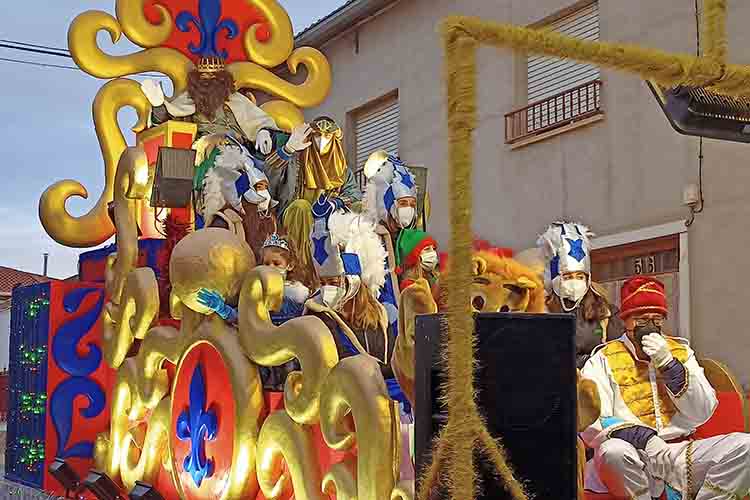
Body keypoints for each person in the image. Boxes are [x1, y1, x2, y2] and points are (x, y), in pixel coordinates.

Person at [581, 276, 750, 500]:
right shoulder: (602, 358)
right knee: (612, 452)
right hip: (633, 453)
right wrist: (645, 439)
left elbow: (703, 410)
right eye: (641, 319)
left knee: (746, 447)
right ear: (626, 321)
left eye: (656, 319)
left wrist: (669, 365)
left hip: (680, 453)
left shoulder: (680, 351)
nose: (649, 325)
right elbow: (591, 421)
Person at [538, 221, 623, 368]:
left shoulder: (606, 312)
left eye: (580, 276)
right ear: (554, 279)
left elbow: (618, 355)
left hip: (597, 383)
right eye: (568, 277)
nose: (575, 282)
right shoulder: (541, 311)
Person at [264, 116, 362, 218]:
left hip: (328, 221)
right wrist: (288, 149)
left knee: (360, 207)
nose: (322, 141)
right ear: (311, 136)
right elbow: (268, 174)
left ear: (334, 140)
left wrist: (335, 203)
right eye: (318, 135)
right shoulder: (294, 162)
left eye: (327, 136)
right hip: (295, 217)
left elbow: (355, 195)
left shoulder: (342, 170)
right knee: (301, 206)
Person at [260, 232, 310, 321]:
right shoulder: (259, 289)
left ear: (290, 265)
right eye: (266, 264)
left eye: (276, 263)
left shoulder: (298, 294)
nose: (270, 268)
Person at [395, 229, 440, 296]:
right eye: (427, 249)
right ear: (414, 258)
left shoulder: (433, 277)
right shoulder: (409, 287)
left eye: (433, 249)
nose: (433, 253)